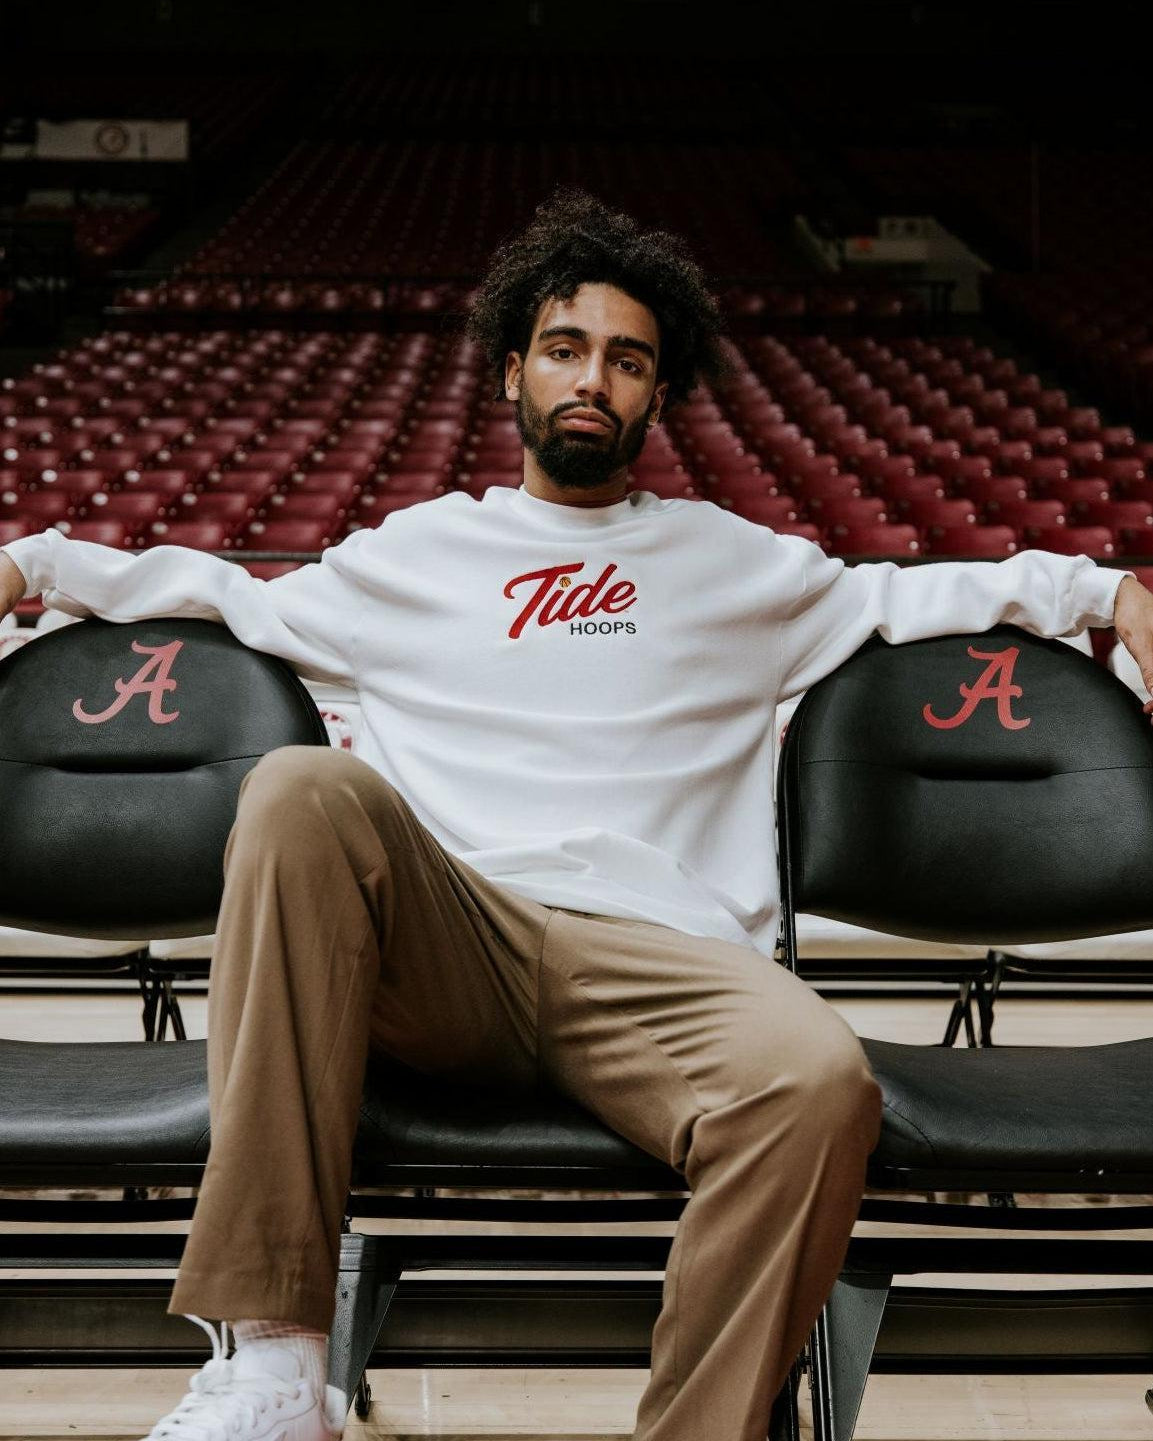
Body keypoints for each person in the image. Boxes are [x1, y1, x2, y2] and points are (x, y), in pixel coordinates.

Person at [3, 187, 1153, 1441]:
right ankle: (277, 1369)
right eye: (564, 347)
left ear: (658, 395)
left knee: (821, 1080)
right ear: (513, 372)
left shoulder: (744, 566)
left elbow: (930, 596)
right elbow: (214, 592)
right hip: (455, 944)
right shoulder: (414, 554)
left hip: (662, 963)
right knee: (297, 788)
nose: (592, 377)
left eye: (626, 357)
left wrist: (1107, 590)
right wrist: (37, 563)